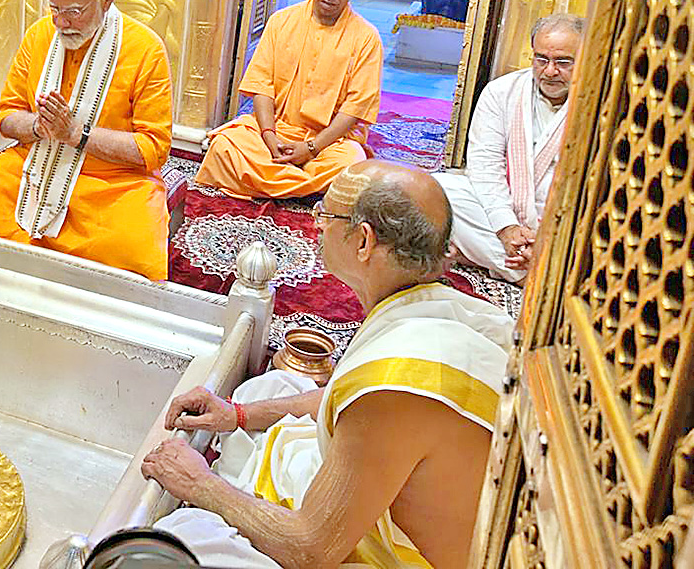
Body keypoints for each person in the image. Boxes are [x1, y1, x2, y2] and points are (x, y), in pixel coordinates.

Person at [141, 160, 513, 569]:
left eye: (326, 214)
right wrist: (238, 414)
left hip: (377, 555)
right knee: (267, 389)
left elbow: (310, 549)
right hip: (372, 479)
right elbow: (338, 400)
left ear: (364, 242)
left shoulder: (396, 383)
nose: (316, 224)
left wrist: (199, 484)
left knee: (184, 539)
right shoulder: (447, 308)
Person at [0, 0, 173, 280]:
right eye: (55, 8)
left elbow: (152, 149)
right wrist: (37, 126)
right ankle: (38, 276)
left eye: (74, 11)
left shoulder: (146, 50)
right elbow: (7, 115)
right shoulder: (40, 35)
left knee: (138, 266)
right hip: (36, 165)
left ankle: (39, 271)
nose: (61, 22)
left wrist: (77, 134)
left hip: (110, 183)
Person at [196, 0, 382, 198]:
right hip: (277, 131)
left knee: (351, 165)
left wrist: (312, 147)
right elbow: (261, 85)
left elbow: (355, 109)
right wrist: (269, 136)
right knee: (224, 146)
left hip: (329, 144)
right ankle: (308, 187)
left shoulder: (367, 38)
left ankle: (270, 180)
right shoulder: (281, 21)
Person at [434, 13, 584, 282]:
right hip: (505, 214)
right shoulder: (501, 92)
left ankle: (525, 263)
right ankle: (537, 271)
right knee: (442, 190)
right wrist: (506, 227)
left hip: (562, 224)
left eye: (563, 62)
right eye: (541, 59)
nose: (550, 71)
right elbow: (485, 166)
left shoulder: (598, 103)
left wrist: (546, 237)